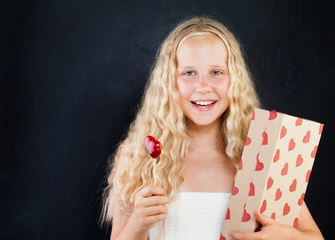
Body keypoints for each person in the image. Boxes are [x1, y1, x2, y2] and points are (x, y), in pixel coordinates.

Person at [100, 16, 324, 240]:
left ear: (234, 80)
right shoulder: (139, 155)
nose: (203, 87)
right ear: (169, 83)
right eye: (189, 73)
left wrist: (287, 237)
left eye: (216, 72)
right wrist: (138, 224)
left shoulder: (262, 151)